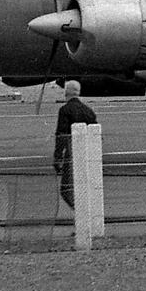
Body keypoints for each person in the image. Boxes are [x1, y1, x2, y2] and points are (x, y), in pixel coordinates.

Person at [52, 80, 97, 208]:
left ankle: (80, 211)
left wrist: (58, 157)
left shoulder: (65, 110)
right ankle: (87, 211)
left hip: (72, 154)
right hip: (88, 153)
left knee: (66, 189)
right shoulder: (88, 110)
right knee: (84, 187)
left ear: (66, 92)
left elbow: (61, 135)